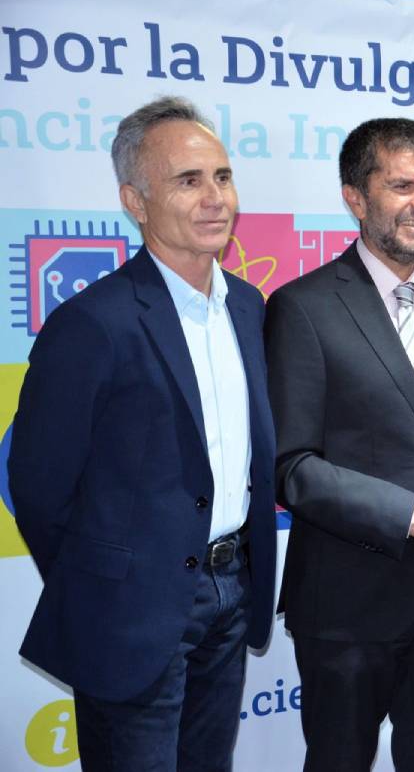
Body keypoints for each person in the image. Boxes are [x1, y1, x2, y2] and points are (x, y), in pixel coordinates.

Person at [8, 96, 277, 771]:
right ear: (135, 199)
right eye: (189, 180)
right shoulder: (91, 322)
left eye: (222, 176)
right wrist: (109, 583)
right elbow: (37, 485)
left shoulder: (248, 306)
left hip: (231, 594)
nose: (215, 197)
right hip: (131, 614)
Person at [264, 117, 414, 772]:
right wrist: (408, 512)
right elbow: (293, 467)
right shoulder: (302, 306)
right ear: (355, 195)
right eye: (402, 184)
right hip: (346, 602)